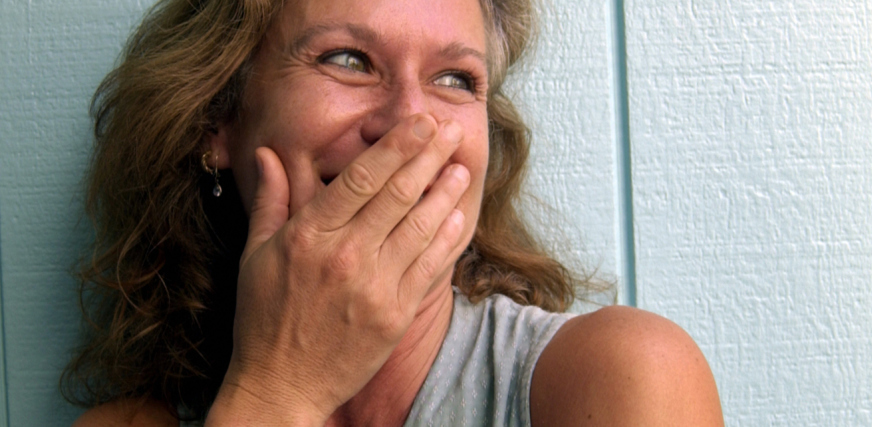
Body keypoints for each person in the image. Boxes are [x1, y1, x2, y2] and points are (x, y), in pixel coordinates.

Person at [65, 0, 723, 425]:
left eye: (454, 79)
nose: (411, 124)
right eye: (348, 61)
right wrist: (276, 392)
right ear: (218, 119)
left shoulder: (619, 381)